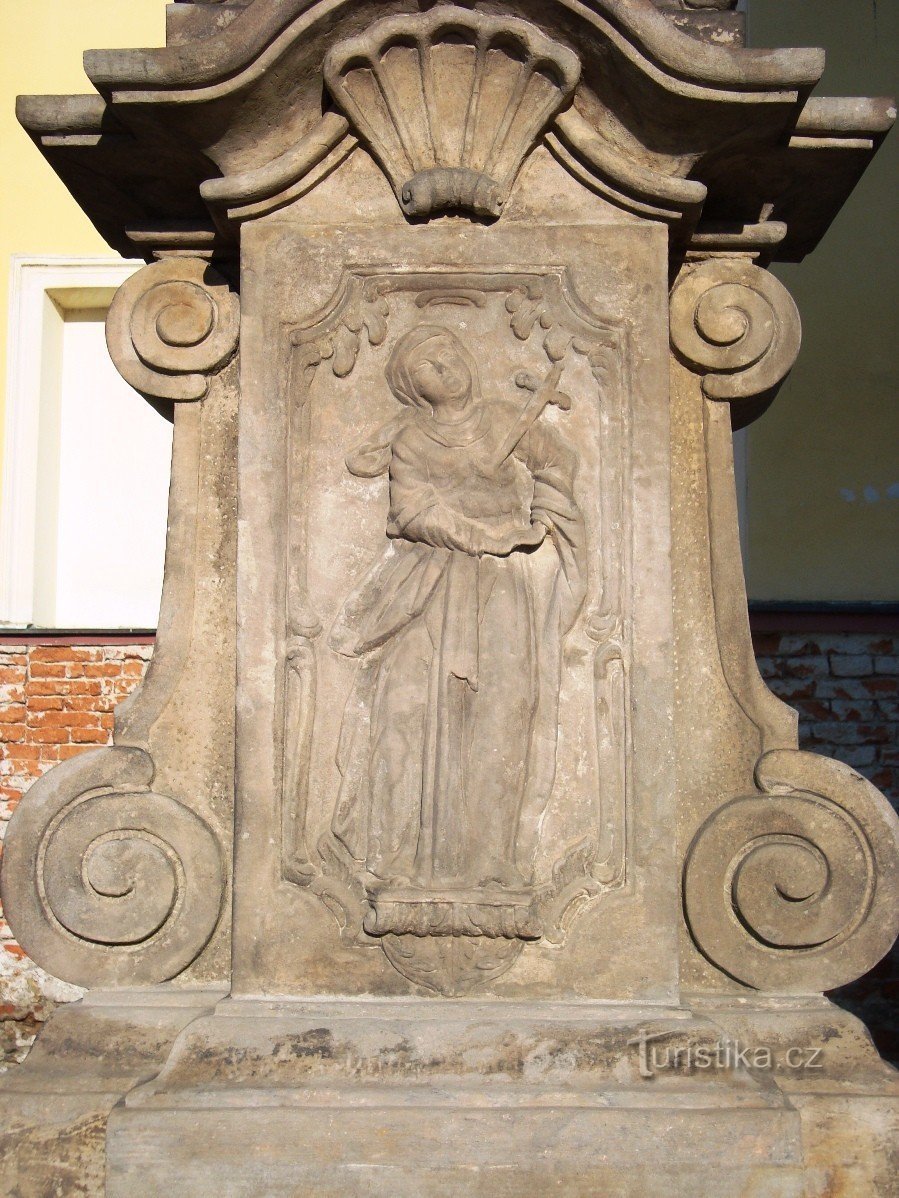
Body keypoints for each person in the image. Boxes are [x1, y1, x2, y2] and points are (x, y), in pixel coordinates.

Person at [329, 324, 586, 893]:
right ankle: (406, 859)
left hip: (503, 590)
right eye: (426, 366)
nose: (443, 367)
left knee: (503, 710)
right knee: (408, 708)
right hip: (432, 583)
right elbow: (411, 512)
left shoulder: (505, 420)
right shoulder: (413, 440)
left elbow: (557, 464)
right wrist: (475, 534)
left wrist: (541, 519)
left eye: (447, 352)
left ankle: (493, 862)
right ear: (413, 387)